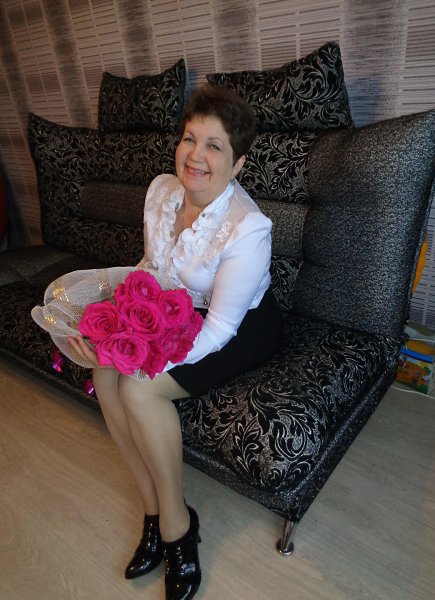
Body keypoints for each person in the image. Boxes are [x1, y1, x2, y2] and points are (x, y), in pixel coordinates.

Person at [35, 84, 282, 600]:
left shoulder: (248, 229)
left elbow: (219, 328)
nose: (196, 156)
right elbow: (150, 268)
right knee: (105, 369)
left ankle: (176, 526)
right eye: (190, 138)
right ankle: (151, 508)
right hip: (171, 307)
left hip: (236, 325)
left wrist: (146, 359)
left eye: (214, 146)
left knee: (139, 389)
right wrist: (107, 329)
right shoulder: (163, 191)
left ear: (238, 164)